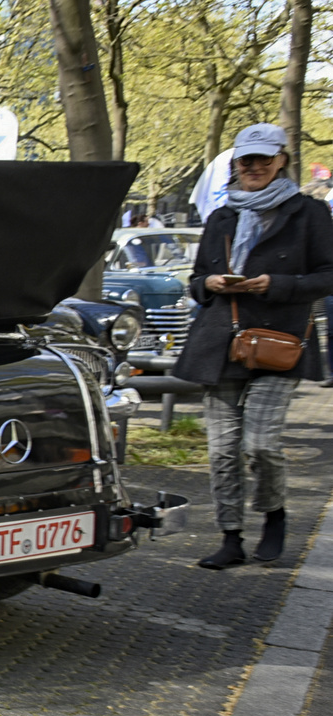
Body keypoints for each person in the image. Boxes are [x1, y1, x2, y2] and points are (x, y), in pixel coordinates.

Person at [173, 123, 333, 569]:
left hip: (278, 344)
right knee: (222, 450)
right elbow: (196, 279)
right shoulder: (221, 216)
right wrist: (208, 281)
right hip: (220, 345)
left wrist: (276, 284)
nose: (255, 167)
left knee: (260, 444)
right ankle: (230, 537)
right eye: (247, 160)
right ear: (236, 164)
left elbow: (328, 275)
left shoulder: (308, 213)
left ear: (282, 159)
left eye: (265, 159)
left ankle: (274, 515)